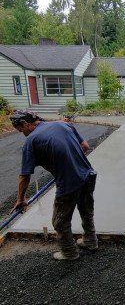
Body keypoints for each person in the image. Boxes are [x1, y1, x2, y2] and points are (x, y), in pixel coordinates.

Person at [10, 110, 98, 261]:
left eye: (21, 130)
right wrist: (68, 162)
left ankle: (69, 253)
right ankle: (90, 241)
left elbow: (24, 176)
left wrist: (21, 199)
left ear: (26, 124)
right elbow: (85, 146)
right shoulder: (62, 125)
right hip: (88, 175)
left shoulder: (31, 140)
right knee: (86, 211)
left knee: (60, 221)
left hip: (69, 183)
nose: (22, 133)